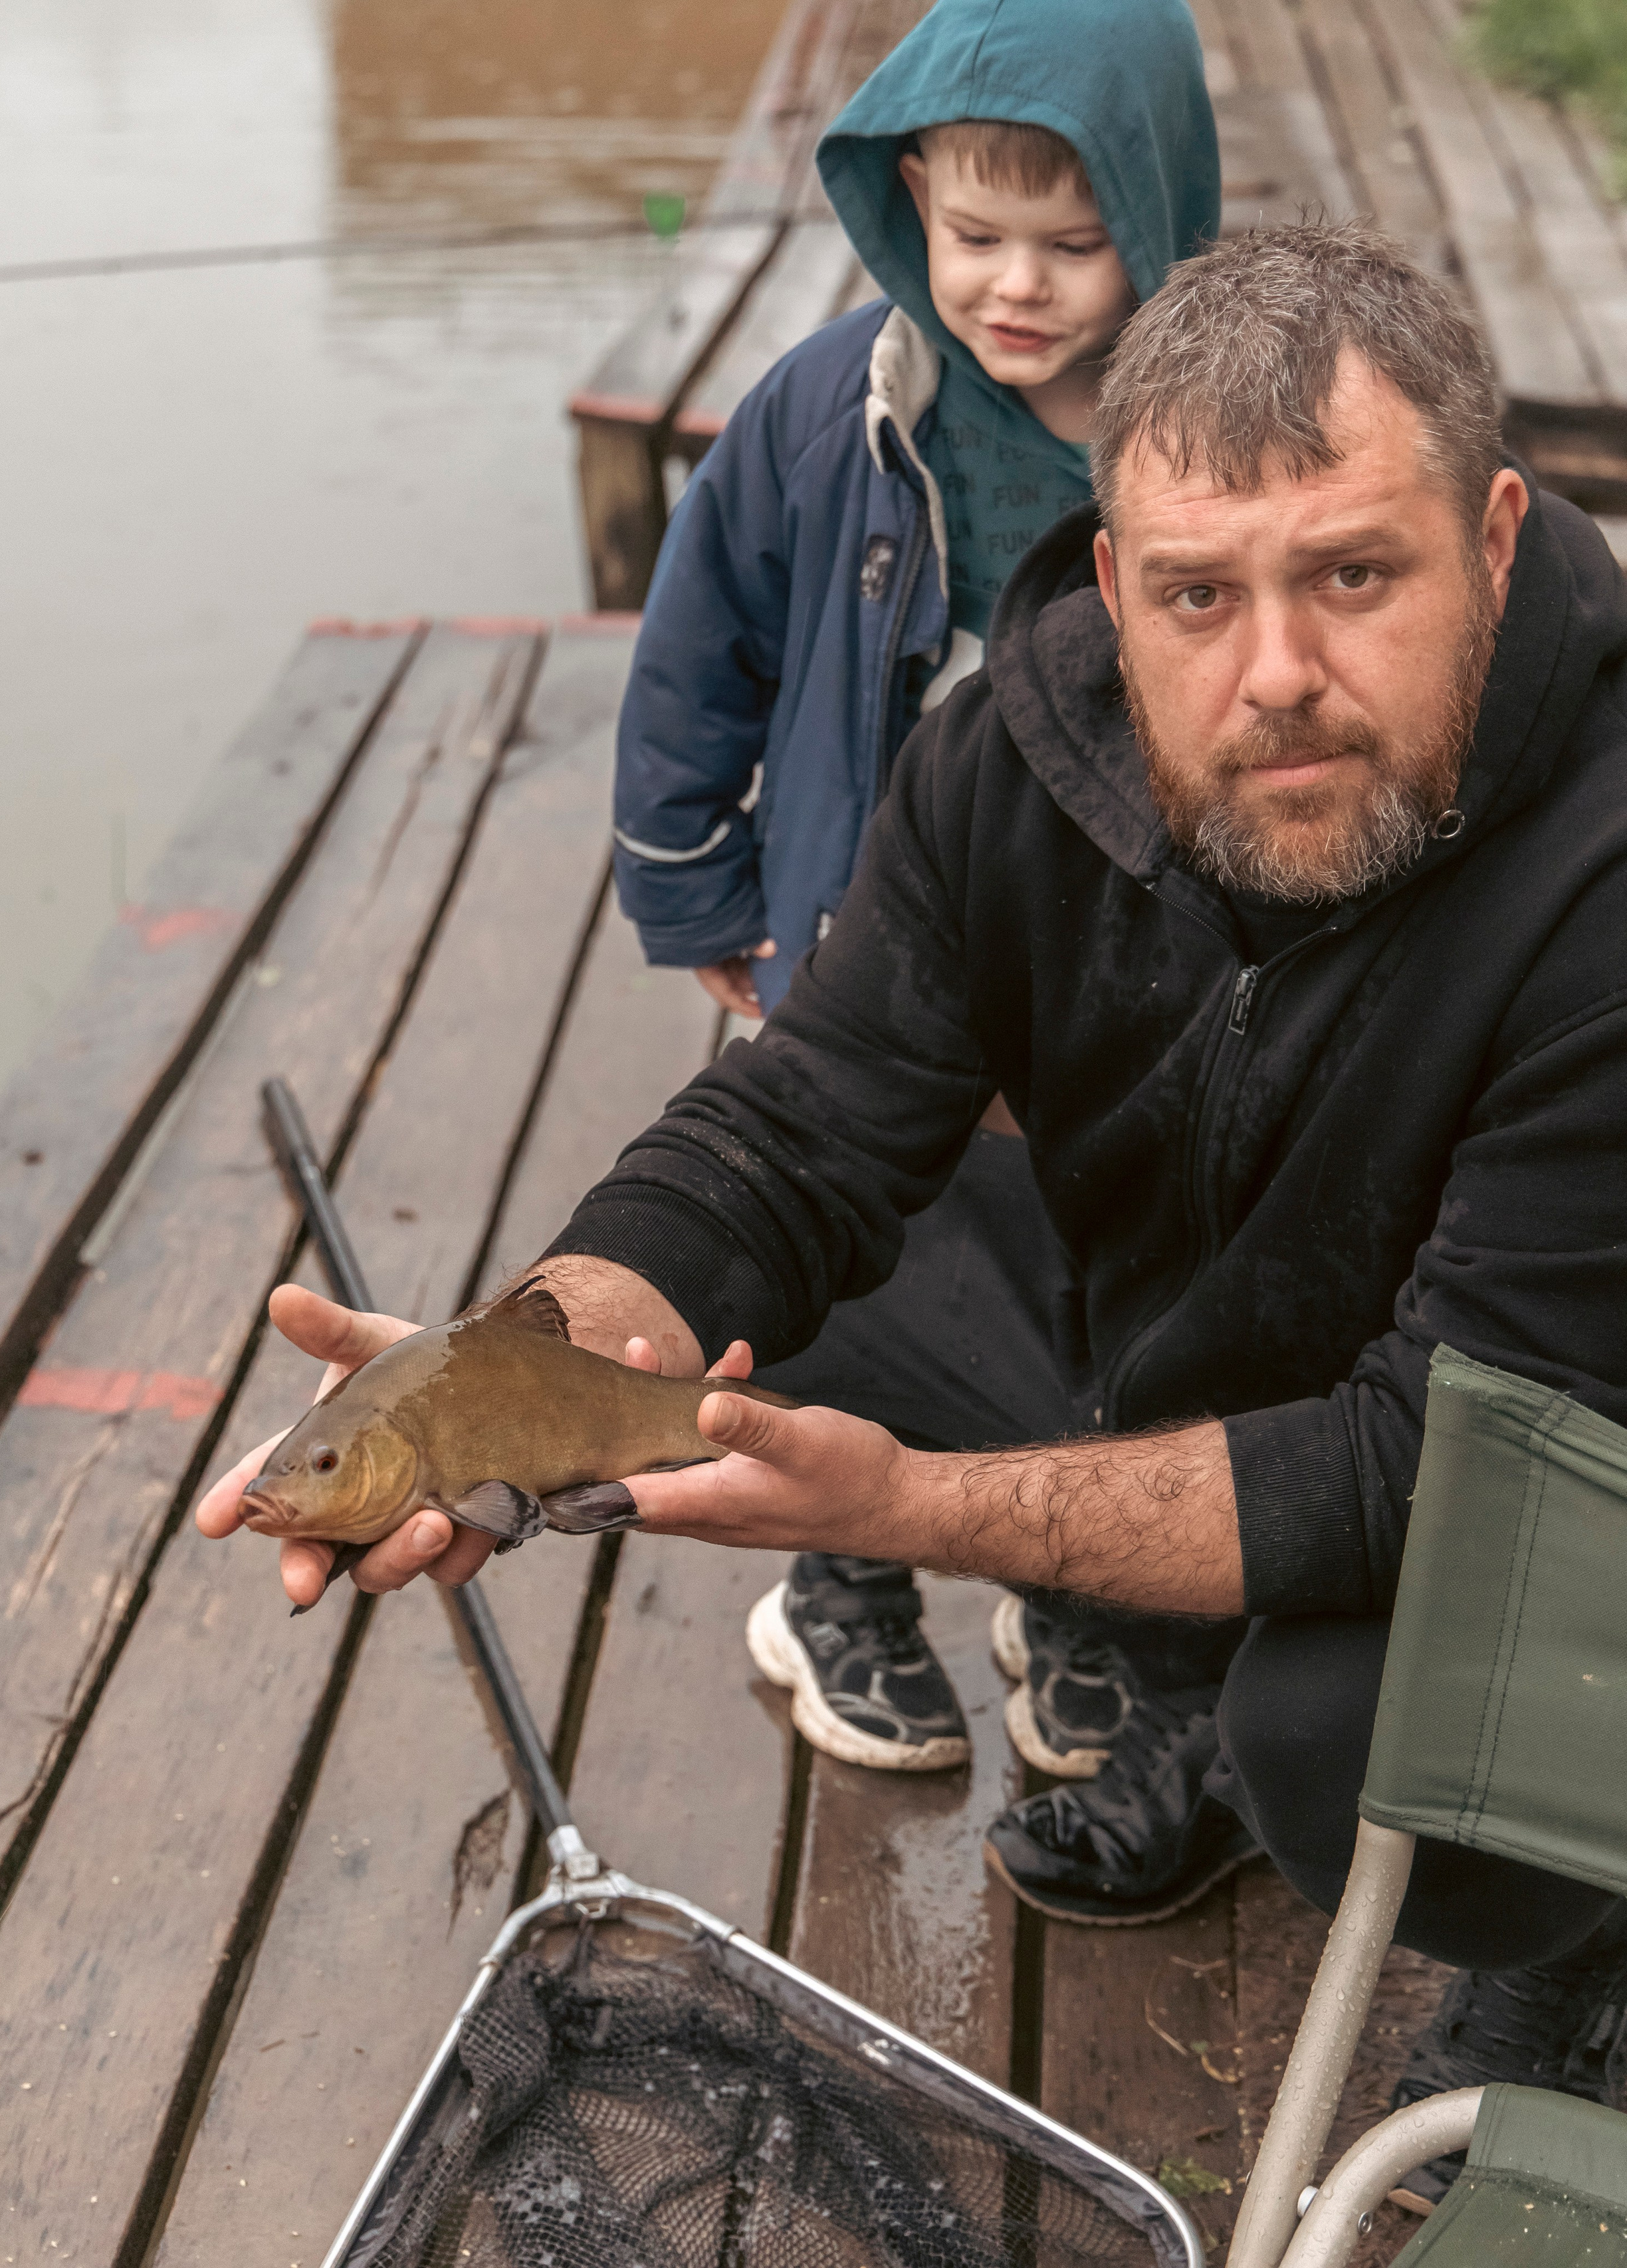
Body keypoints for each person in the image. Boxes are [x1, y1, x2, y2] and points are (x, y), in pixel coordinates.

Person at [201, 221, 1627, 2198]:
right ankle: (1182, 1674)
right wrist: (527, 1353)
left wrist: (912, 1513)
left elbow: (1425, 1463)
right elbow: (803, 1123)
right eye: (1199, 595)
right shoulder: (1011, 752)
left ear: (1494, 535)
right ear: (1114, 586)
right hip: (1226, 1299)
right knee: (784, 1303)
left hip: (1549, 1445)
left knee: (1350, 1721)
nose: (1278, 675)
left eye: (1355, 576)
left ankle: (1567, 1954)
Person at [610, 0, 1221, 1777]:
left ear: (1158, 220)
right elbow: (696, 649)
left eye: (1072, 244)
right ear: (910, 212)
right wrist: (695, 881)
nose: (1013, 285)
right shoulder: (836, 408)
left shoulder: (1202, 442)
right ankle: (838, 1588)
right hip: (861, 936)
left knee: (1088, 1277)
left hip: (1107, 970)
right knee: (848, 1265)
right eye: (972, 235)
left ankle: (1071, 1573)